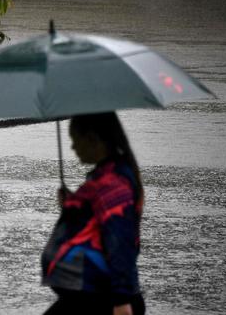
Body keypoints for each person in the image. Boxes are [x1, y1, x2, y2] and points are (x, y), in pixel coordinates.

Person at [41, 112, 145, 315]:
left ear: (93, 138)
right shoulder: (106, 175)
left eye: (75, 140)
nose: (72, 147)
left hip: (105, 301)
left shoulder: (113, 184)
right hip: (87, 296)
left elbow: (120, 240)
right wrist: (72, 206)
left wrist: (122, 301)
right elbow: (96, 224)